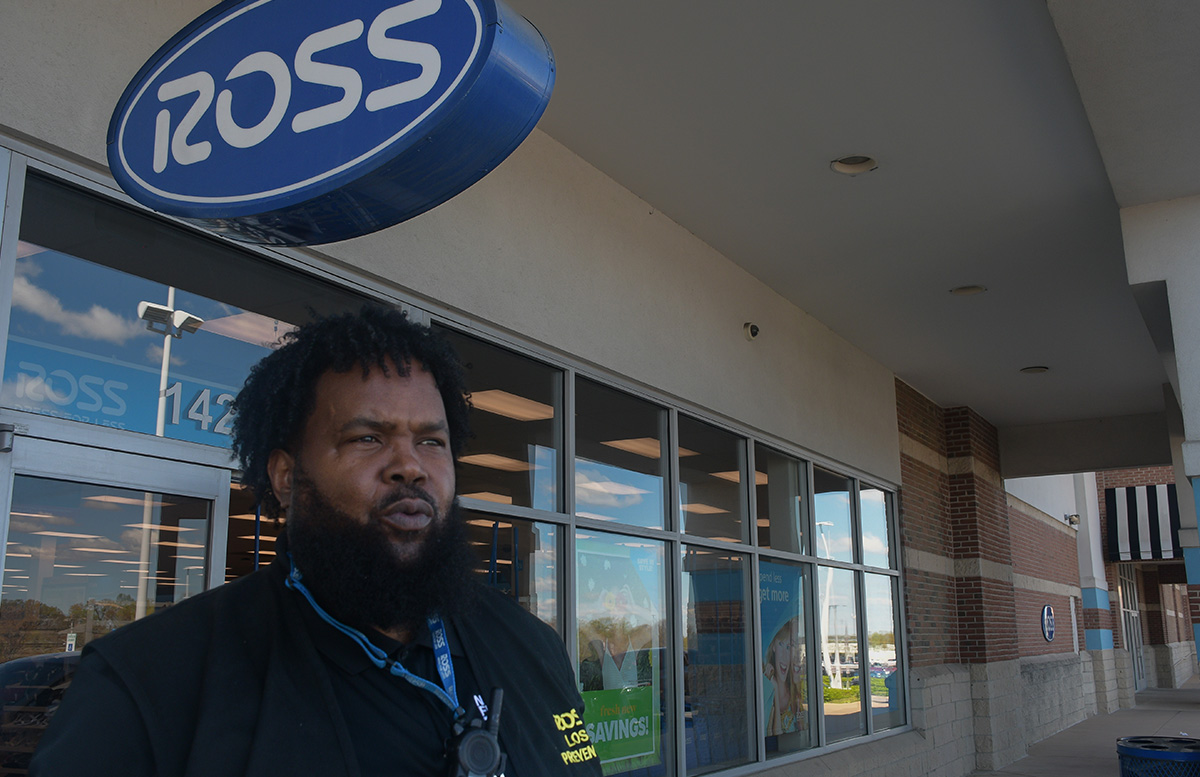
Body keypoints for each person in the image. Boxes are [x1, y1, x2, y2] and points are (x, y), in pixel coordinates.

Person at [31, 306, 602, 777]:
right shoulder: (147, 689)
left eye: (431, 442)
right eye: (367, 437)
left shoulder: (533, 648)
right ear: (286, 478)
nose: (409, 466)